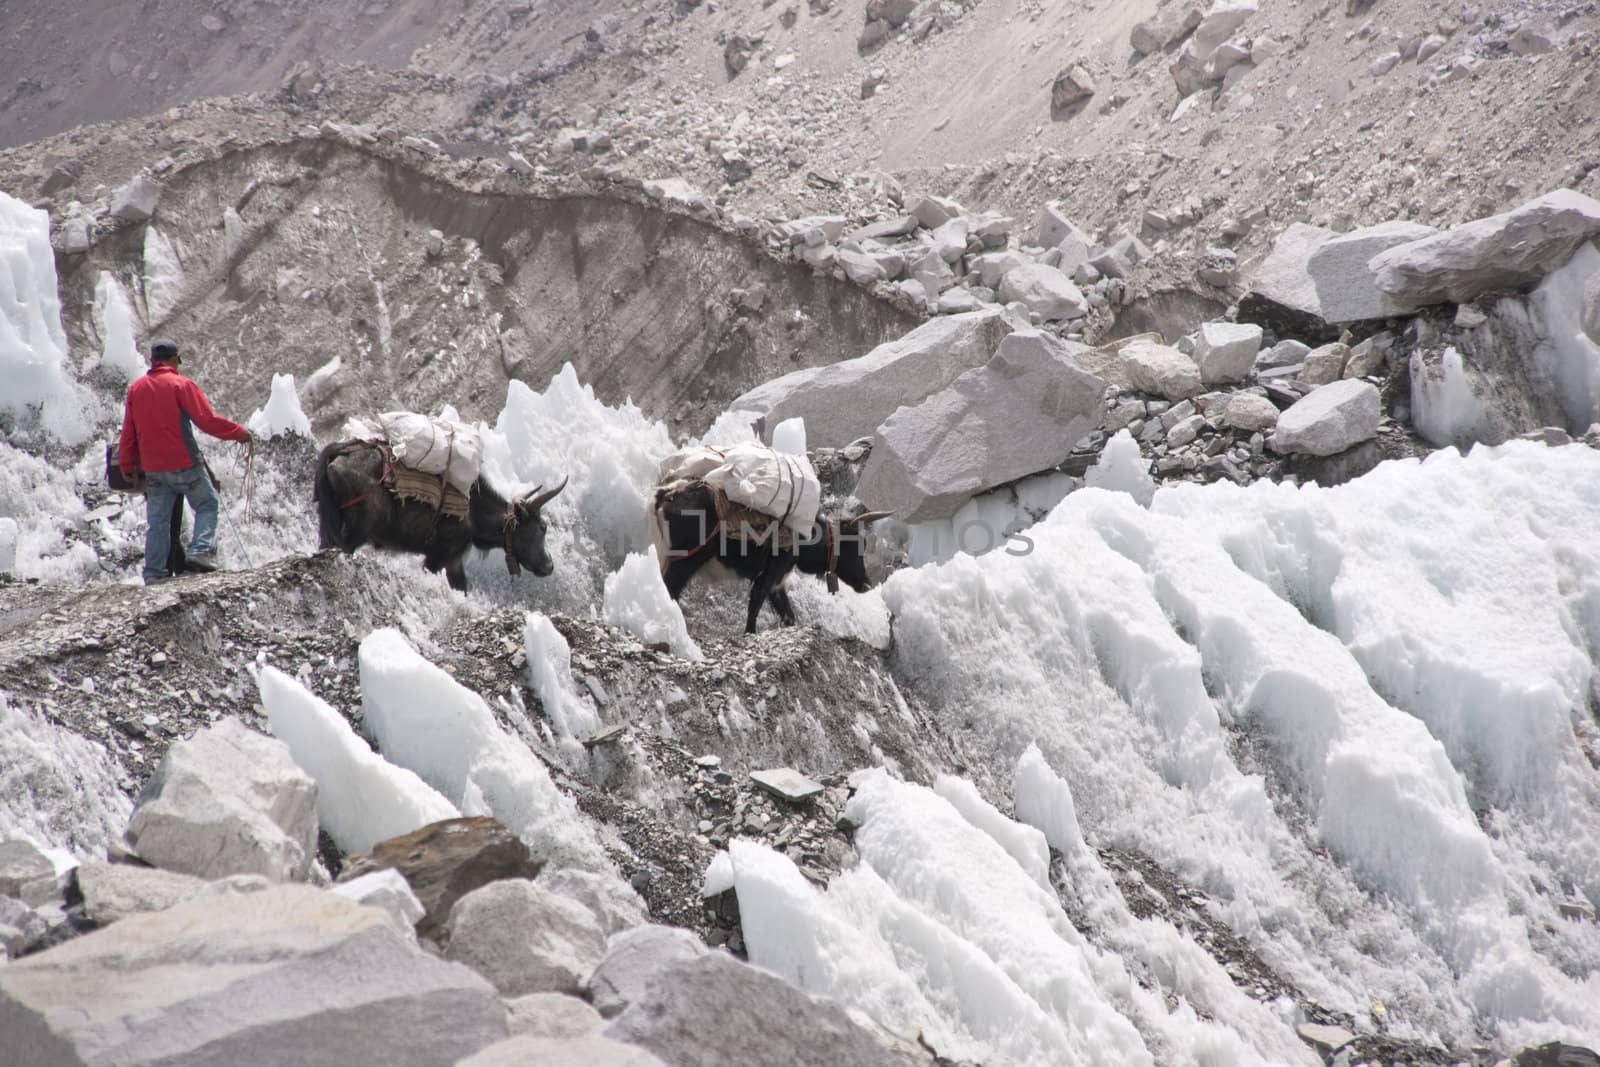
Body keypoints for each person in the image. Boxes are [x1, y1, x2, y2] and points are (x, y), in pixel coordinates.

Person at [118, 338, 251, 583]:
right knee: (207, 503)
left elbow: (129, 432)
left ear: (152, 361)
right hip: (185, 464)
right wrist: (239, 433)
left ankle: (154, 574)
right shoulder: (181, 385)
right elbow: (207, 420)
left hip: (154, 470)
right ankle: (199, 552)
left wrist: (126, 465)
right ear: (173, 360)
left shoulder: (136, 389)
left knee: (158, 522)